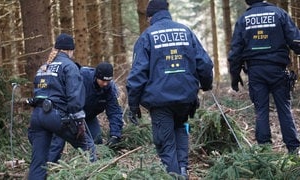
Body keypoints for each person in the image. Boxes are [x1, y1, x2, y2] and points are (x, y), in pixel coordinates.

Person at [126, 0, 213, 178]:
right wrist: (205, 85)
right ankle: (182, 171)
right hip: (185, 99)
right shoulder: (186, 31)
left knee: (165, 142)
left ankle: (173, 175)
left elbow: (137, 75)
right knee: (180, 128)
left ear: (150, 16)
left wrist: (133, 105)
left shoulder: (147, 36)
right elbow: (204, 63)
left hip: (160, 101)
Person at [228, 0, 300, 154]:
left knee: (261, 110)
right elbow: (296, 40)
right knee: (284, 109)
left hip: (256, 72)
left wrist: (234, 75)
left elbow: (235, 52)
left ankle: (264, 151)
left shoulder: (243, 19)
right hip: (278, 70)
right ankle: (294, 150)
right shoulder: (279, 14)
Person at [27, 33, 96, 179]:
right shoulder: (69, 66)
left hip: (37, 116)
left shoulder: (43, 67)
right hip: (56, 115)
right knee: (88, 146)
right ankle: (96, 175)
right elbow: (74, 96)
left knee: (38, 162)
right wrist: (77, 121)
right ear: (70, 50)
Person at [48, 61, 124, 163]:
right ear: (96, 76)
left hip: (89, 117)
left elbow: (114, 111)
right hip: (68, 115)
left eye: (108, 81)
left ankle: (96, 167)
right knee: (57, 142)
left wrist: (115, 134)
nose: (105, 84)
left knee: (96, 141)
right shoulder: (81, 77)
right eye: (103, 81)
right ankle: (49, 165)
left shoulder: (110, 88)